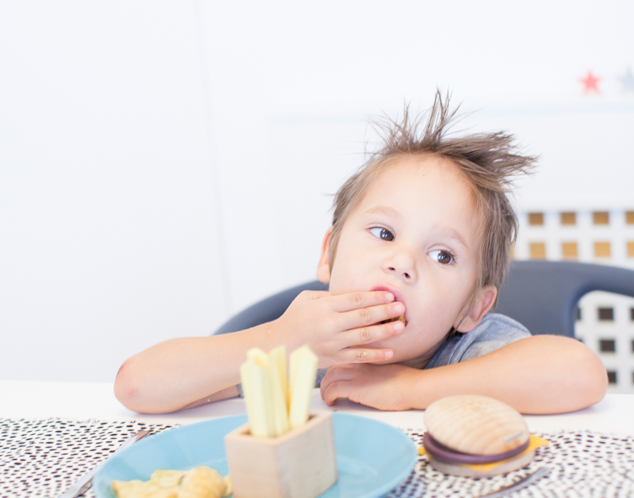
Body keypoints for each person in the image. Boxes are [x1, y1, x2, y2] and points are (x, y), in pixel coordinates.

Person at [114, 92, 607, 415]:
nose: (403, 262)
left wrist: (407, 391)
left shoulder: (471, 350)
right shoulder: (301, 352)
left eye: (442, 256)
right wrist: (280, 340)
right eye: (384, 233)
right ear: (328, 256)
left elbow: (579, 374)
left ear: (471, 308)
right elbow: (137, 386)